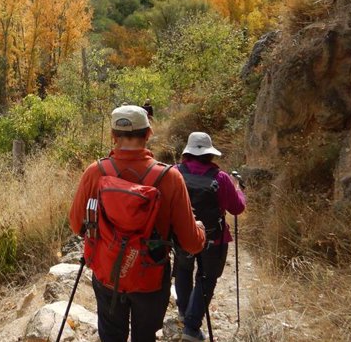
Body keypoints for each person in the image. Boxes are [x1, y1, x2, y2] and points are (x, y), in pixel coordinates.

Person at [69, 105, 206, 342]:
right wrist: (201, 231)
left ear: (113, 136)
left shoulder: (95, 172)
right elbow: (192, 244)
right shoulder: (170, 177)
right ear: (149, 134)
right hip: (149, 278)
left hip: (107, 274)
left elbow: (76, 225)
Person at [173, 132, 246, 342]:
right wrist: (237, 189)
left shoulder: (176, 172)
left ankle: (184, 312)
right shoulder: (221, 178)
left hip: (183, 235)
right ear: (209, 154)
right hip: (214, 238)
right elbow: (237, 208)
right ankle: (191, 326)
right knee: (206, 279)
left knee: (183, 270)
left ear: (188, 152)